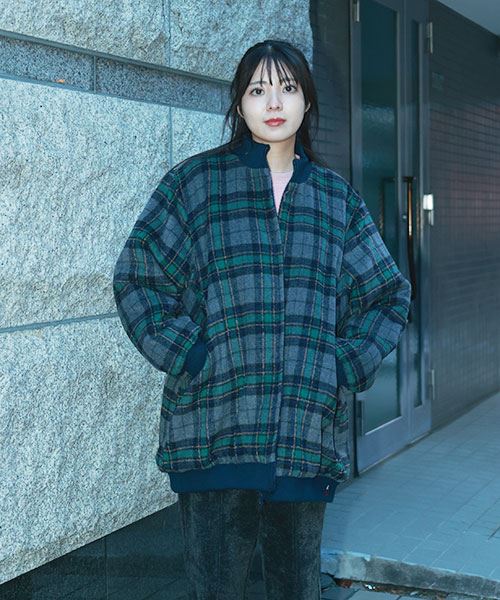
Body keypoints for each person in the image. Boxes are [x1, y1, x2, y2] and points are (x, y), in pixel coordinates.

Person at [112, 39, 411, 600]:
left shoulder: (335, 200)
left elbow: (387, 295)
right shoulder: (195, 185)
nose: (274, 102)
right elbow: (139, 278)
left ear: (306, 101)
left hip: (303, 436)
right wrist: (191, 354)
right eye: (258, 89)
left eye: (287, 88)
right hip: (213, 430)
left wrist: (343, 363)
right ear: (239, 103)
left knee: (295, 589)